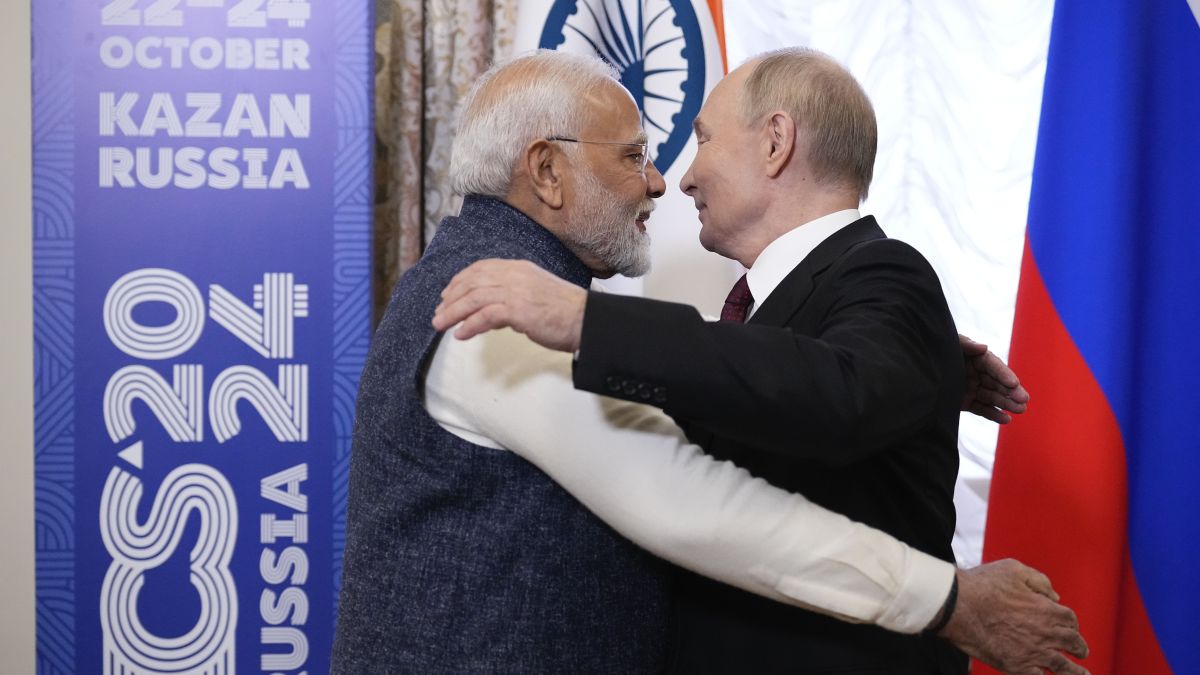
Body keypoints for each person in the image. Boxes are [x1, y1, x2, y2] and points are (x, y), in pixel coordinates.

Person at [336, 50, 1086, 674]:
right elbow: (681, 498)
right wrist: (946, 597)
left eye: (693, 143)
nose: (668, 179)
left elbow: (816, 386)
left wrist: (914, 365)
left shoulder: (525, 294)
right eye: (634, 154)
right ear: (547, 171)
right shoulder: (495, 302)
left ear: (776, 143)